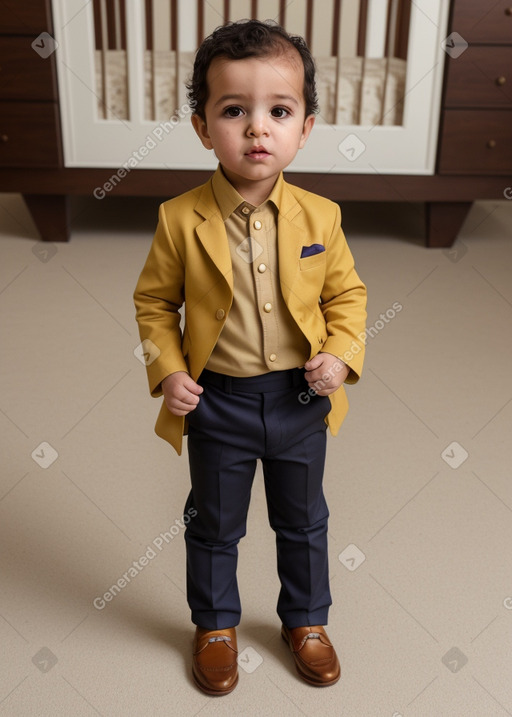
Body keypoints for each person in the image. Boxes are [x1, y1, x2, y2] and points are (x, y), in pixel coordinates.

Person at [133, 18, 367, 696]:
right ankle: (214, 623)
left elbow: (348, 295)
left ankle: (307, 619)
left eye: (278, 111)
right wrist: (170, 369)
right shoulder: (180, 218)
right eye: (234, 111)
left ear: (306, 127)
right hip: (220, 402)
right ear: (204, 127)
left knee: (304, 518)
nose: (257, 129)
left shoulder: (322, 217)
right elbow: (154, 303)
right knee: (213, 521)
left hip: (298, 399)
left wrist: (339, 356)